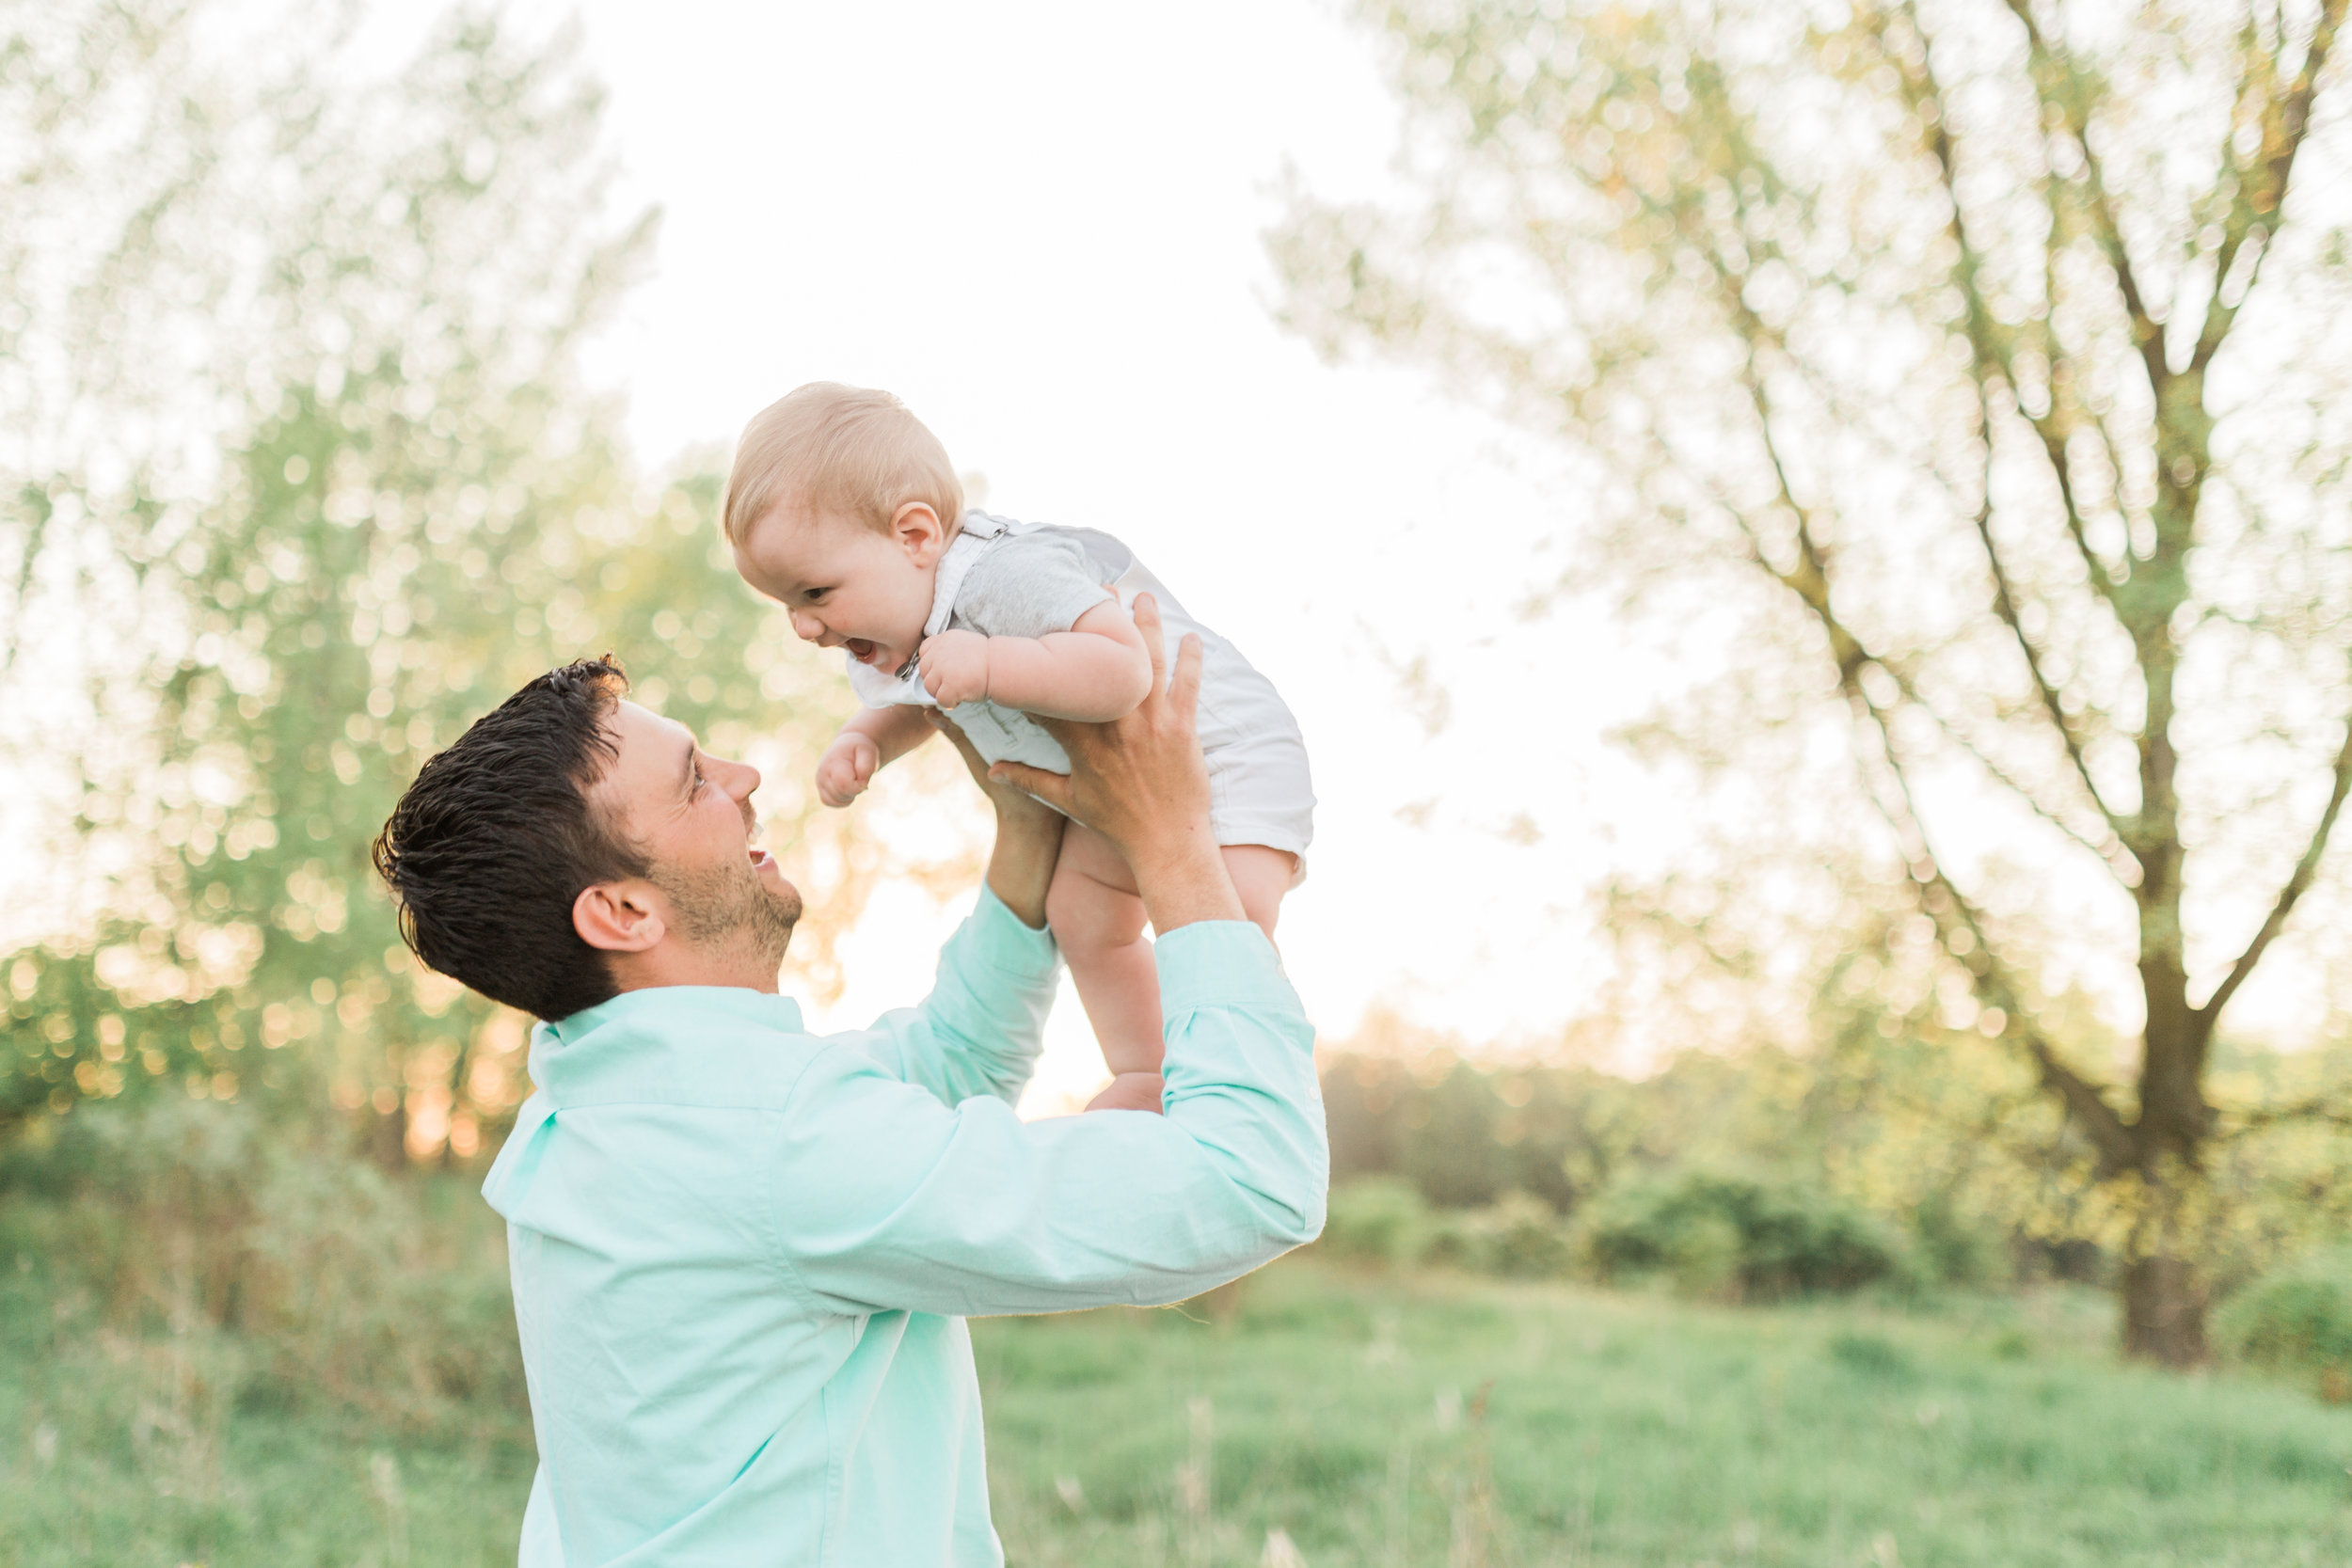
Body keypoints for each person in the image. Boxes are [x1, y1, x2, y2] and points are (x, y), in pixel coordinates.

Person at [368, 598, 1326, 1568]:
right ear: (621, 909)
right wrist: (1173, 843)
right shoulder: (773, 1139)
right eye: (695, 780)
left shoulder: (600, 1109)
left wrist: (1026, 830)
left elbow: (937, 1074)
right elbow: (1251, 1179)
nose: (743, 781)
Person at [723, 382, 1315, 1114]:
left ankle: (1251, 1059)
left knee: (1232, 909)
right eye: (786, 604)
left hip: (1227, 753)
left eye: (814, 592)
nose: (805, 628)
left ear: (914, 537)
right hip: (1111, 785)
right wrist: (865, 736)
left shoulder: (1004, 577)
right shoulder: (898, 621)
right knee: (1080, 911)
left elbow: (1124, 667)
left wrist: (990, 664)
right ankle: (1143, 1067)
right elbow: (926, 698)